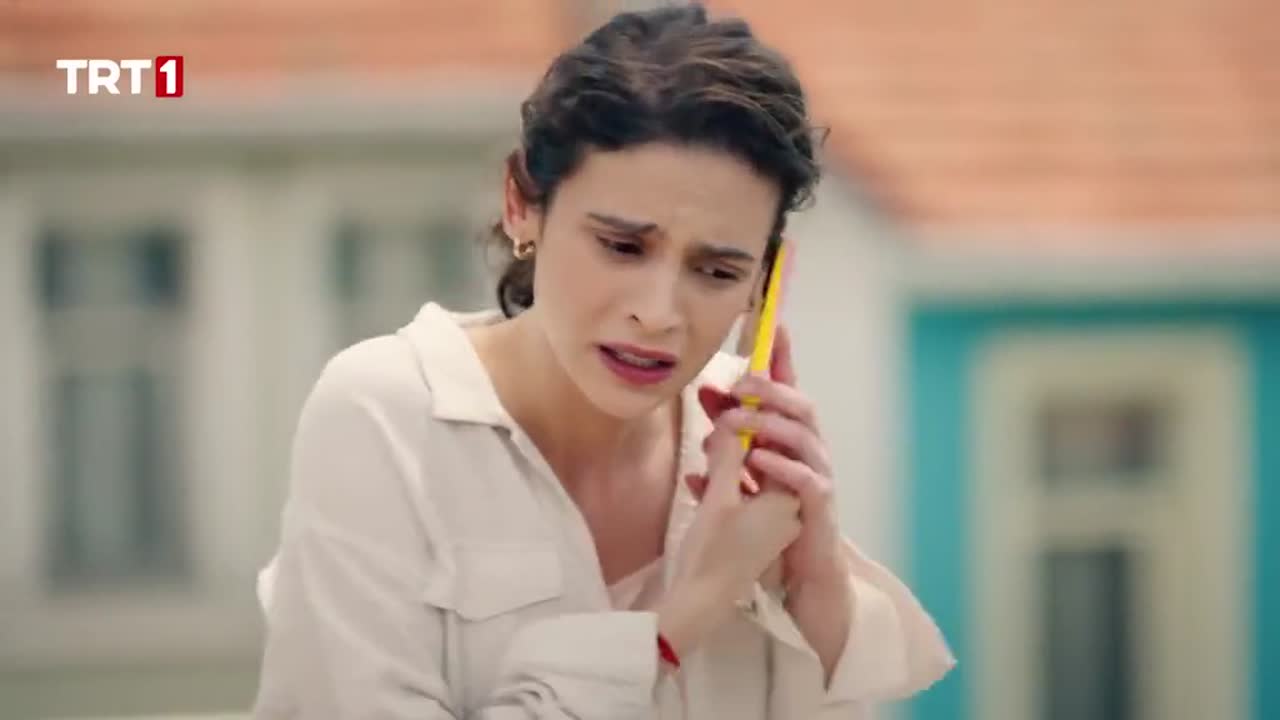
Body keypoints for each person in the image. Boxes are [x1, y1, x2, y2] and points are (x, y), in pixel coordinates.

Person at [251, 5, 954, 719]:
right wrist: (679, 618)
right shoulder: (387, 414)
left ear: (764, 285)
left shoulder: (745, 462)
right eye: (621, 247)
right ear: (521, 205)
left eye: (716, 272)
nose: (659, 313)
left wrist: (813, 582)